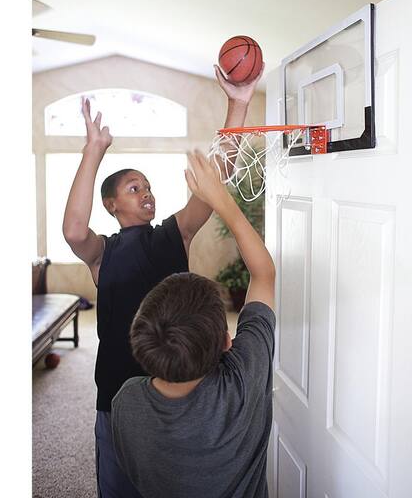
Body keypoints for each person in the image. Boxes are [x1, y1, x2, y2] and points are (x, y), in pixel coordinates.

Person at [62, 65, 263, 498]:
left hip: (184, 388)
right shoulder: (103, 252)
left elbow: (216, 185)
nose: (146, 193)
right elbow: (74, 231)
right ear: (111, 204)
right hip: (116, 393)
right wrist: (94, 151)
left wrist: (238, 103)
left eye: (148, 187)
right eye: (134, 189)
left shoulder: (174, 233)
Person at [111, 150, 276, 498]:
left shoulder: (126, 403)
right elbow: (264, 273)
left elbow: (263, 276)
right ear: (227, 340)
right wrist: (224, 202)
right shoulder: (242, 382)